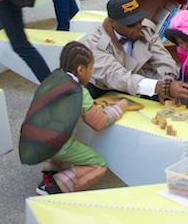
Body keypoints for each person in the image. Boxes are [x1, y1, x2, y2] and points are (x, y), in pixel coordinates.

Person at [19, 42, 133, 195]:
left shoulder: (52, 79)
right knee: (98, 164)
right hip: (57, 144)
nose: (91, 73)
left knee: (59, 140)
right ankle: (55, 187)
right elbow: (99, 122)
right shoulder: (78, 91)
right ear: (81, 69)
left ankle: (50, 174)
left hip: (33, 140)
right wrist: (120, 107)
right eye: (90, 69)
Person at [86, 0, 188, 101]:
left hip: (138, 83)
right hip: (104, 86)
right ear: (112, 22)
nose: (138, 26)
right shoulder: (95, 42)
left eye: (139, 21)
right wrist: (159, 87)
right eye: (130, 24)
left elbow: (163, 60)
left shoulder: (145, 30)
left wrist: (167, 84)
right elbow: (114, 75)